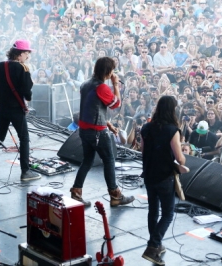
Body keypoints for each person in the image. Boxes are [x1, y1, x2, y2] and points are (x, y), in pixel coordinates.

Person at [70, 57, 135, 207]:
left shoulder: (85, 84)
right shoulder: (102, 87)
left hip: (84, 129)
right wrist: (116, 85)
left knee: (87, 160)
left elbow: (92, 108)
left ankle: (76, 191)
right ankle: (115, 195)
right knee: (109, 160)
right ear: (108, 71)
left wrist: (109, 125)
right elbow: (116, 104)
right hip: (97, 132)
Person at [0, 40, 41, 181]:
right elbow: (27, 92)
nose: (28, 56)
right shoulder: (23, 68)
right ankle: (25, 171)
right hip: (16, 109)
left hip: (2, 108)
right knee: (24, 138)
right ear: (19, 54)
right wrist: (28, 97)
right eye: (27, 53)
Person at [140, 95, 186, 265]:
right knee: (167, 213)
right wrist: (183, 162)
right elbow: (180, 158)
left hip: (149, 174)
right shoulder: (172, 130)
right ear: (173, 110)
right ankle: (153, 246)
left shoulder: (146, 127)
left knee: (153, 210)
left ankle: (156, 244)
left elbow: (143, 152)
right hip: (164, 177)